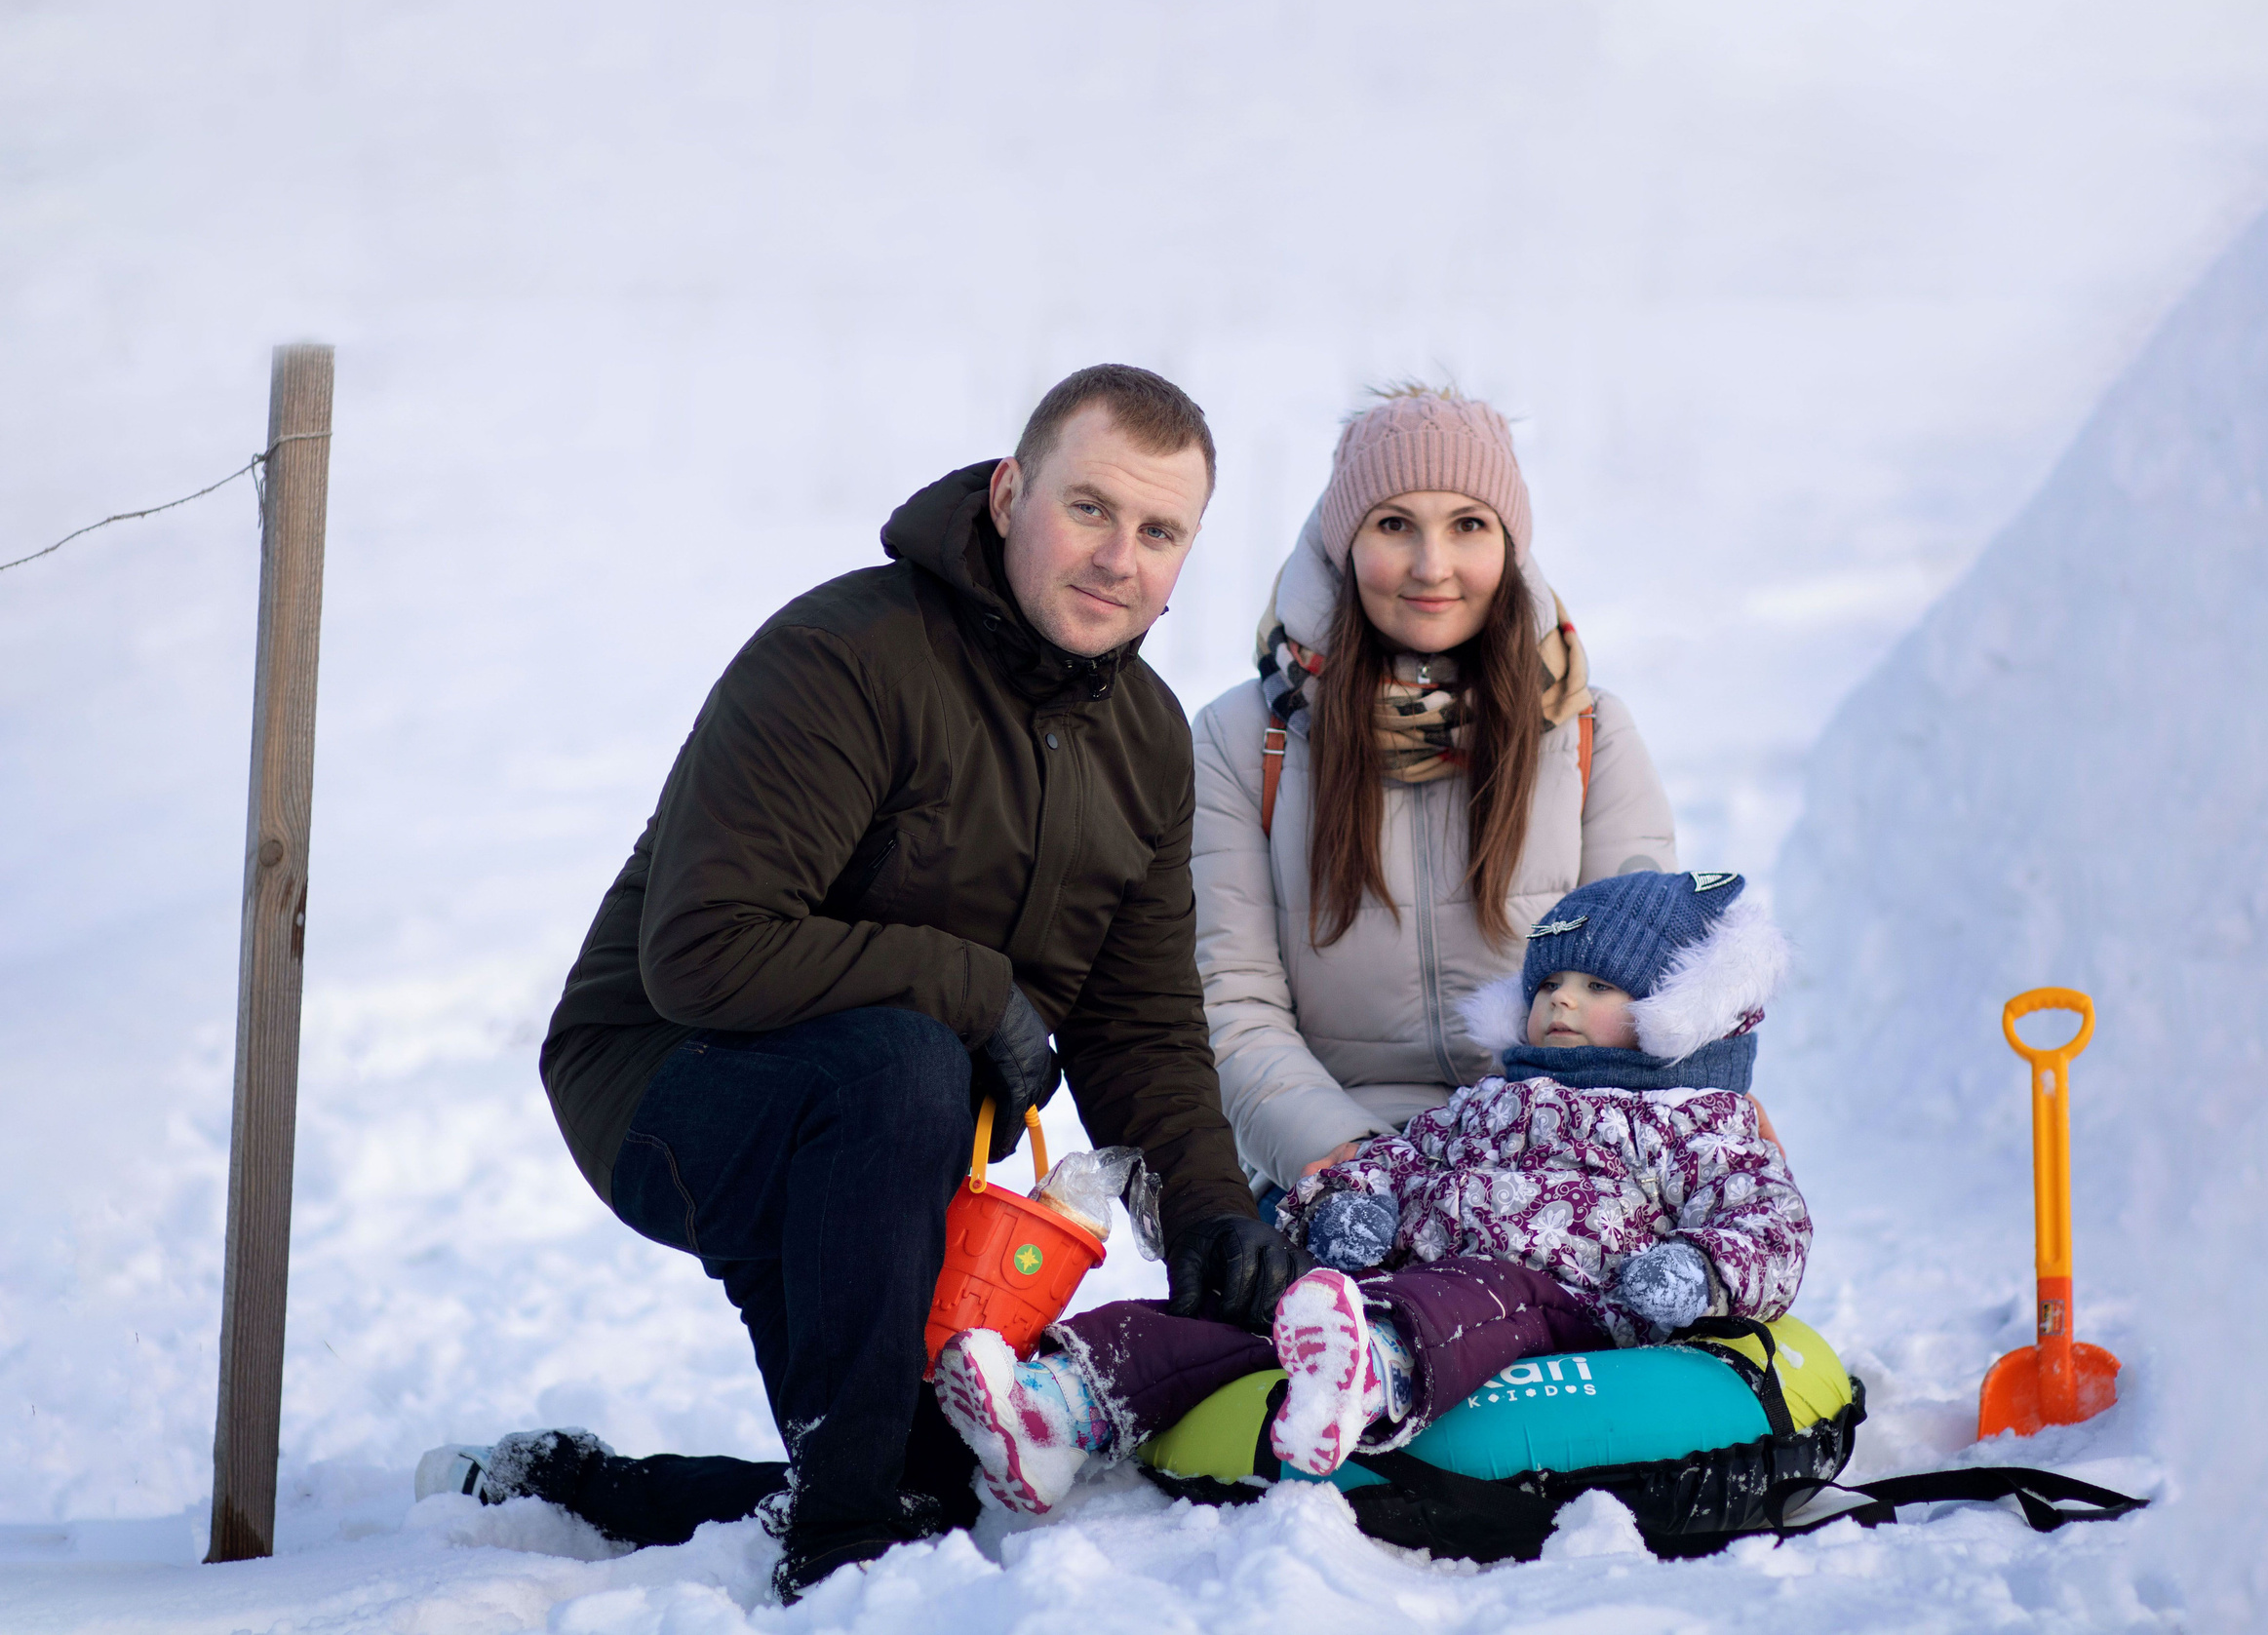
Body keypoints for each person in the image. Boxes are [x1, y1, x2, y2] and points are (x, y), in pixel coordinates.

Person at [415, 366, 1310, 1601]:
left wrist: (1210, 1211)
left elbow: (1137, 1018)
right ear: (1008, 494)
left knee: (926, 1475)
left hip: (885, 1129)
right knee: (906, 1058)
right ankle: (842, 1571)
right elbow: (704, 948)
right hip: (670, 1086)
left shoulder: (1148, 741)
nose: (1119, 558)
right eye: (1090, 508)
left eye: (1159, 533)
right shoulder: (848, 654)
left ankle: (576, 1489)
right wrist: (971, 987)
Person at [927, 870, 1807, 1511]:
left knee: (1474, 1290)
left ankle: (1369, 1374)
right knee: (1244, 1311)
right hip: (1404, 1276)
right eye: (1548, 984)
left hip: (1564, 1295)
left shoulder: (1698, 1120)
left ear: (1681, 1010)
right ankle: (1064, 1403)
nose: (1562, 1004)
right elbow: (1400, 1157)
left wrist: (1698, 1271)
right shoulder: (1491, 1098)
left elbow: (1766, 1220)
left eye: (1598, 986)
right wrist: (1347, 1205)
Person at [1189, 386, 1680, 1208]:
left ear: (1510, 545)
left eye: (1468, 525)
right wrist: (1356, 1164)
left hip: (1550, 1158)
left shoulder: (1590, 733)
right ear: (1344, 543)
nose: (1431, 565)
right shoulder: (1246, 739)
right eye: (1393, 525)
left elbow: (1639, 992)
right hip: (1335, 1161)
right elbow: (1232, 1007)